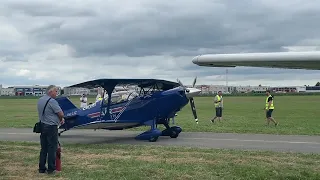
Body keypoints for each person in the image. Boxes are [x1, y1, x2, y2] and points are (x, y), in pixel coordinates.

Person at [37, 85, 65, 174]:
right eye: (56, 91)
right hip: (51, 127)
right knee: (52, 148)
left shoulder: (40, 100)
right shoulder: (52, 101)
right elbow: (61, 113)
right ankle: (51, 169)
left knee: (43, 148)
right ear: (50, 92)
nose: (57, 93)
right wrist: (61, 120)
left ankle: (41, 168)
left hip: (42, 125)